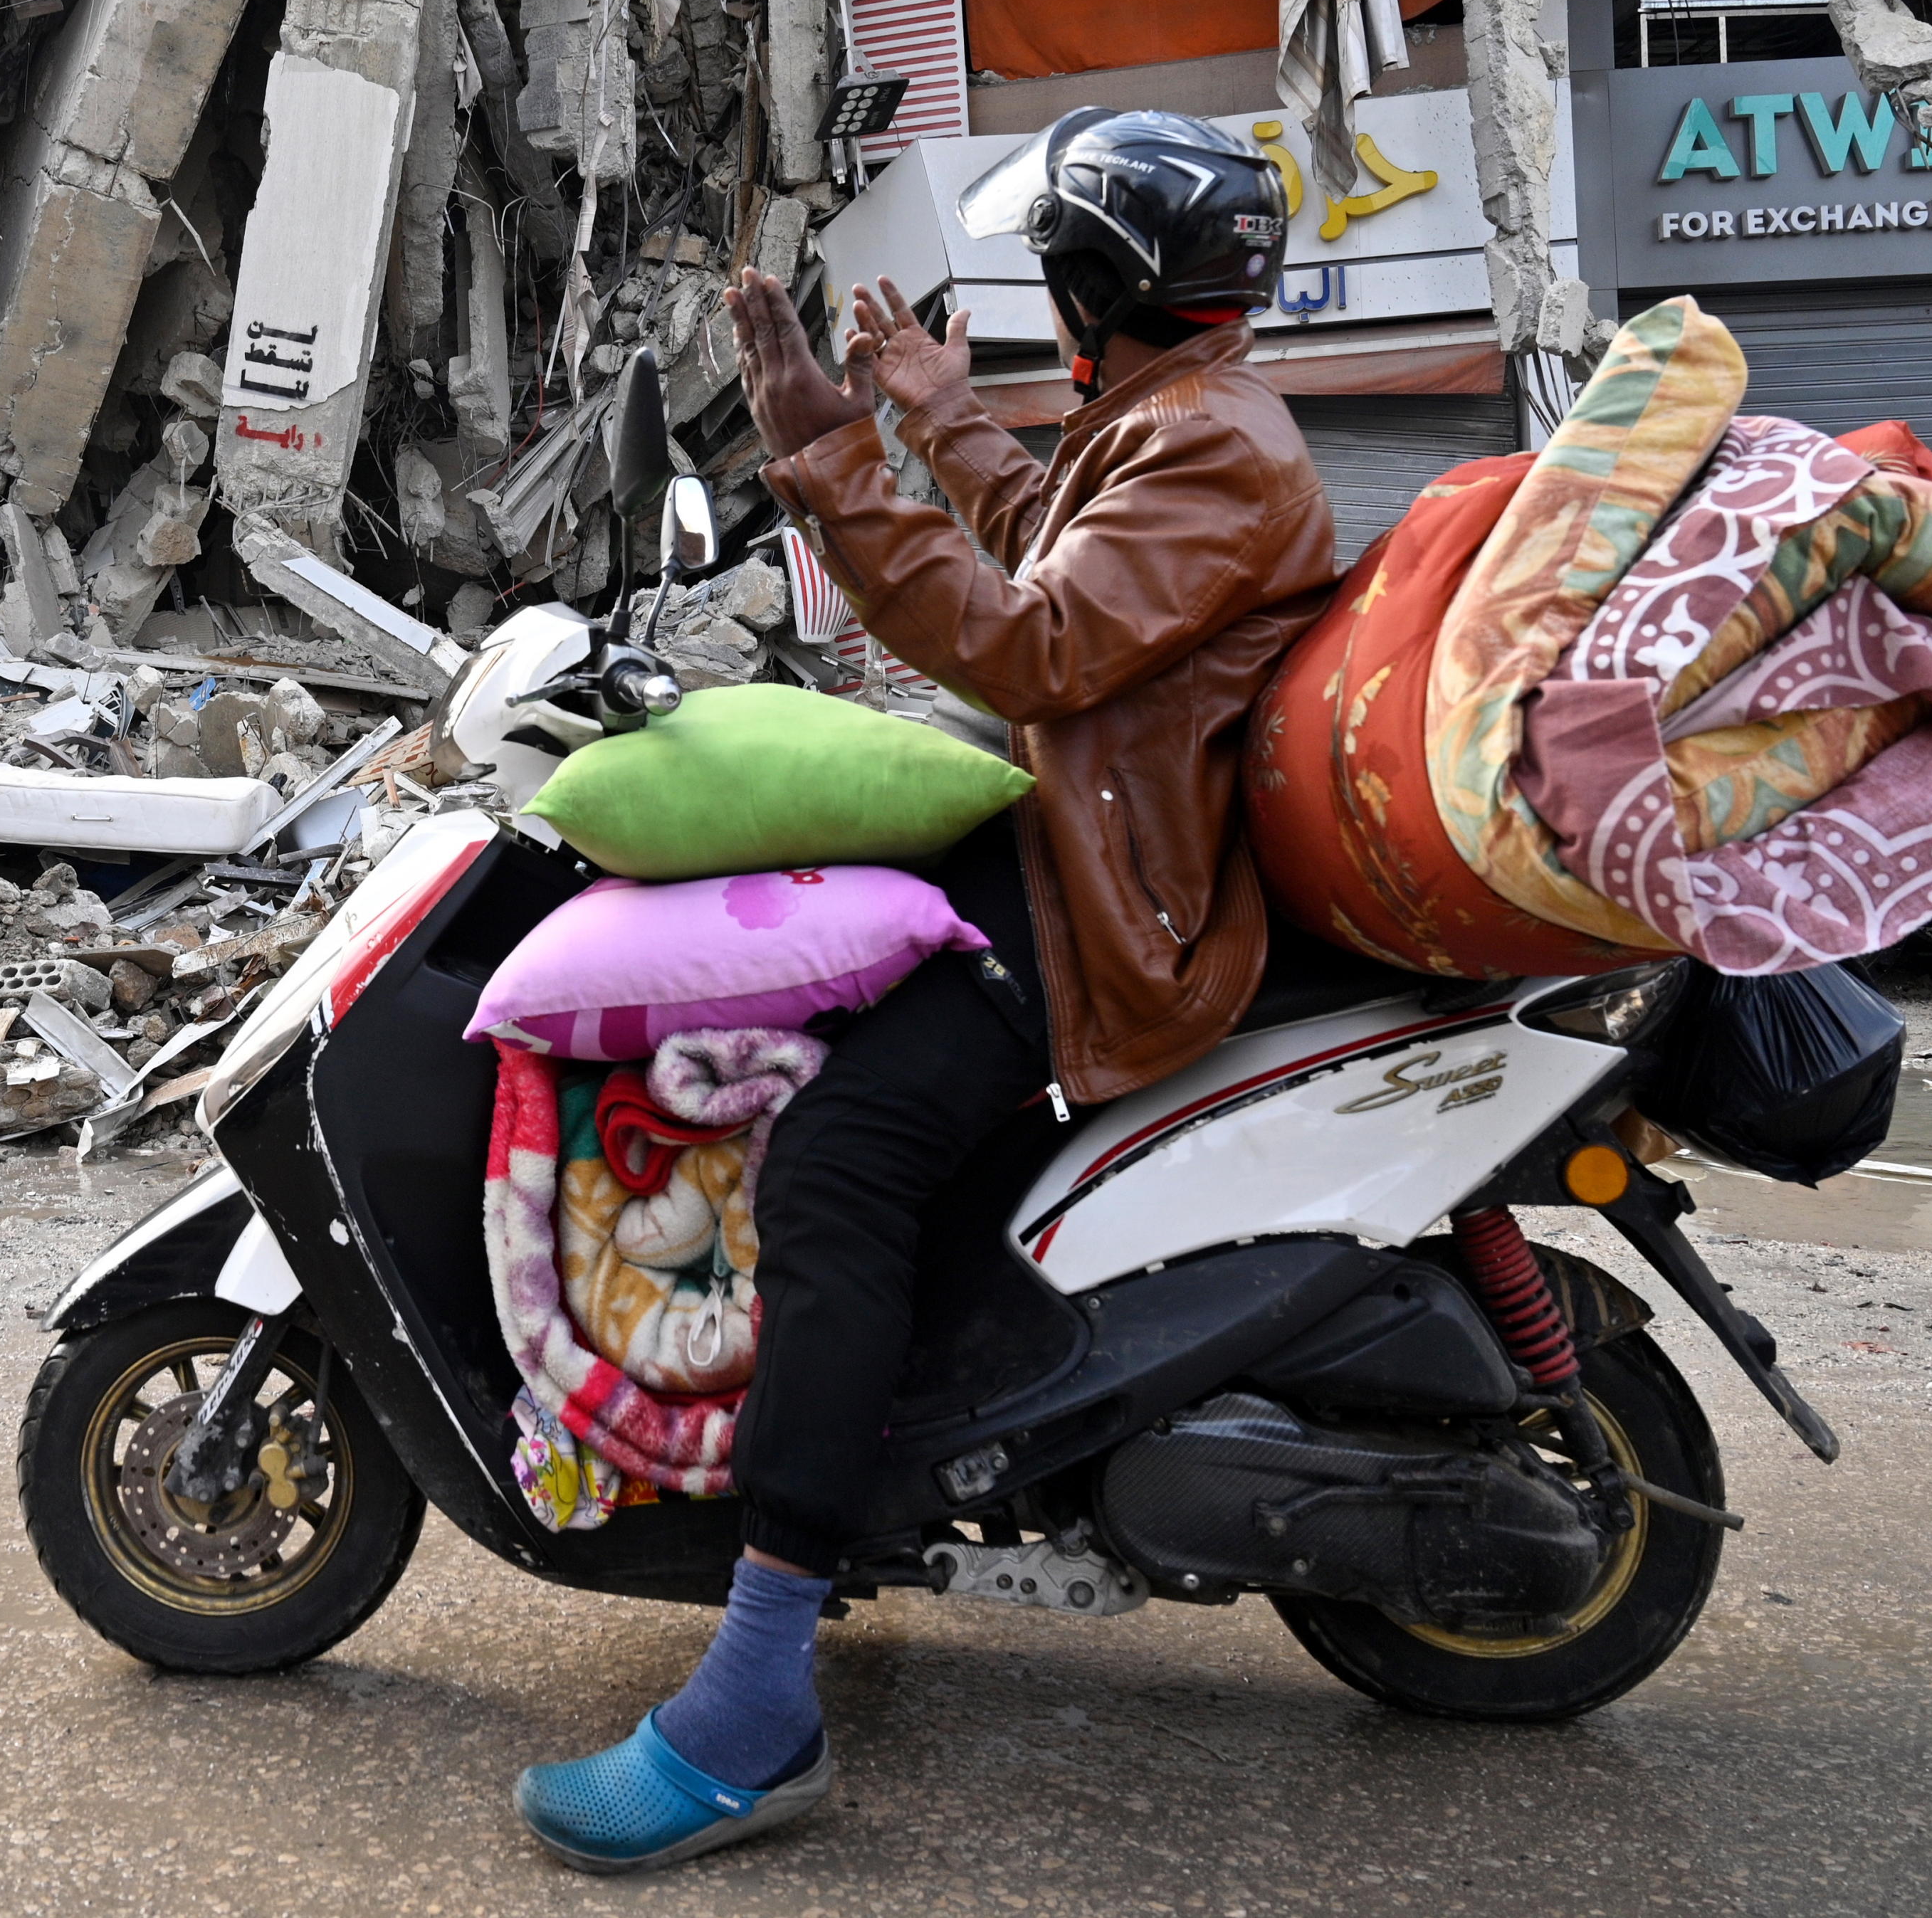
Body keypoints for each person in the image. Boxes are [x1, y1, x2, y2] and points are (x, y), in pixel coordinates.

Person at [514, 109, 1340, 1873]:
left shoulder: (1217, 451)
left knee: (829, 1168)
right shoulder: (1178, 420)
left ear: (1091, 285)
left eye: (1056, 265)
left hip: (1094, 917)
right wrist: (916, 404)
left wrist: (828, 440)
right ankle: (872, 1445)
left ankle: (754, 1711)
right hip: (1070, 858)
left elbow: (1030, 640)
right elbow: (1056, 534)